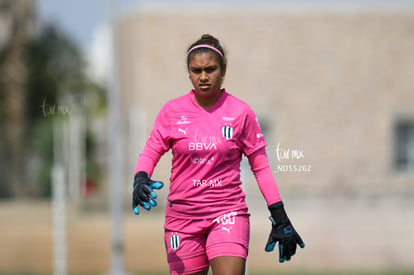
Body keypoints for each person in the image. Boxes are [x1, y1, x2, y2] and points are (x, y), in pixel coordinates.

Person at [132, 34, 305, 275]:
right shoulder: (172, 111)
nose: (203, 77)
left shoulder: (240, 113)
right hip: (182, 219)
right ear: (189, 72)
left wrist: (280, 215)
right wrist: (140, 177)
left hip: (227, 213)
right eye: (196, 70)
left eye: (210, 69)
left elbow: (261, 167)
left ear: (223, 70)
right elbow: (151, 150)